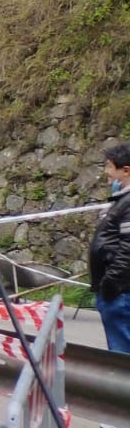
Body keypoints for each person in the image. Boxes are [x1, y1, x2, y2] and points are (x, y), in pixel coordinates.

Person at [89, 142, 130, 354]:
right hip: (119, 291)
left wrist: (110, 284)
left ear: (126, 170)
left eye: (109, 167)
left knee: (121, 355)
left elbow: (128, 249)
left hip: (121, 293)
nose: (106, 173)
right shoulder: (121, 201)